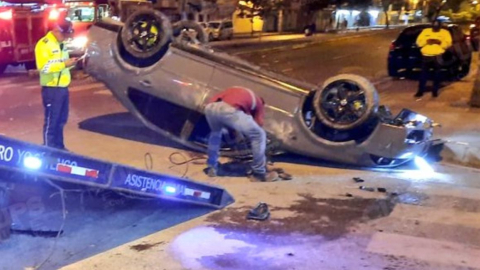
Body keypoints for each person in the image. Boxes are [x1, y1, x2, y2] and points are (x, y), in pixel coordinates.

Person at [204, 87, 279, 182]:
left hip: (211, 107)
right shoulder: (259, 103)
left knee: (216, 134)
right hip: (228, 109)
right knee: (259, 135)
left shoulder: (239, 91)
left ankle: (212, 167)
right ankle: (259, 172)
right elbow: (258, 124)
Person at [35, 19, 78, 150]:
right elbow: (44, 67)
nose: (65, 37)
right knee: (52, 121)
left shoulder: (61, 44)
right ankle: (49, 149)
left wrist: (71, 63)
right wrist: (65, 64)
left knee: (61, 120)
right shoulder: (44, 44)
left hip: (62, 88)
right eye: (64, 34)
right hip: (51, 88)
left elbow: (62, 65)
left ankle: (59, 147)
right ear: (56, 30)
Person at [414, 19, 452, 98]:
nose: (435, 27)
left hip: (437, 56)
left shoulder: (445, 33)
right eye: (434, 25)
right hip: (426, 55)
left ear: (440, 26)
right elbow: (418, 42)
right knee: (423, 75)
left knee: (437, 75)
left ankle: (435, 91)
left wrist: (439, 42)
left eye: (437, 26)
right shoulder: (426, 31)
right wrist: (427, 41)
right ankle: (420, 91)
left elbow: (448, 43)